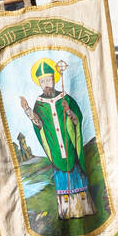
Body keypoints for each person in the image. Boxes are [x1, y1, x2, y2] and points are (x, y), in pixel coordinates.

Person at [19, 57, 97, 220]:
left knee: (77, 175)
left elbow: (78, 118)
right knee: (62, 179)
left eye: (48, 79)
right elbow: (39, 124)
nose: (46, 84)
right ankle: (67, 211)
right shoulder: (39, 104)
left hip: (70, 146)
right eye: (43, 81)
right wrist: (28, 111)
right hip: (55, 148)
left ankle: (84, 208)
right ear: (39, 83)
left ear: (54, 80)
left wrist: (69, 113)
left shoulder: (65, 98)